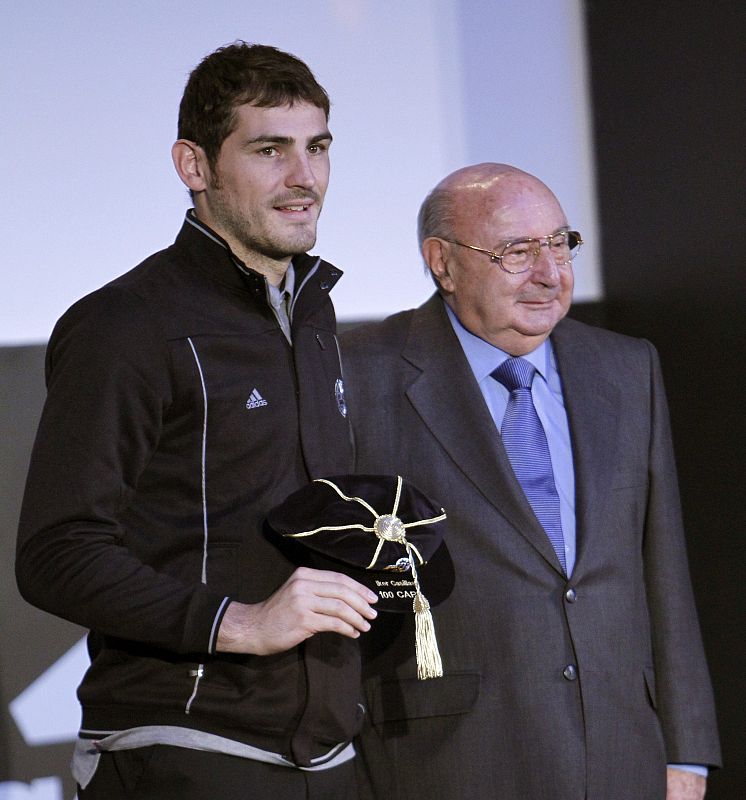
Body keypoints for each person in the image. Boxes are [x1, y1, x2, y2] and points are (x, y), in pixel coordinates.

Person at [15, 42, 378, 799]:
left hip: (326, 753)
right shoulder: (126, 324)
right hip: (185, 747)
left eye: (317, 148)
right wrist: (239, 623)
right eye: (269, 150)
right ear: (194, 165)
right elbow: (56, 554)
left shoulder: (313, 314)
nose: (304, 177)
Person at [340, 163, 721, 800]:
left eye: (560, 245)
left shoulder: (626, 367)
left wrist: (688, 750)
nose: (550, 274)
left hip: (623, 753)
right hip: (447, 760)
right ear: (442, 263)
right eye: (517, 252)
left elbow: (663, 571)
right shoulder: (359, 374)